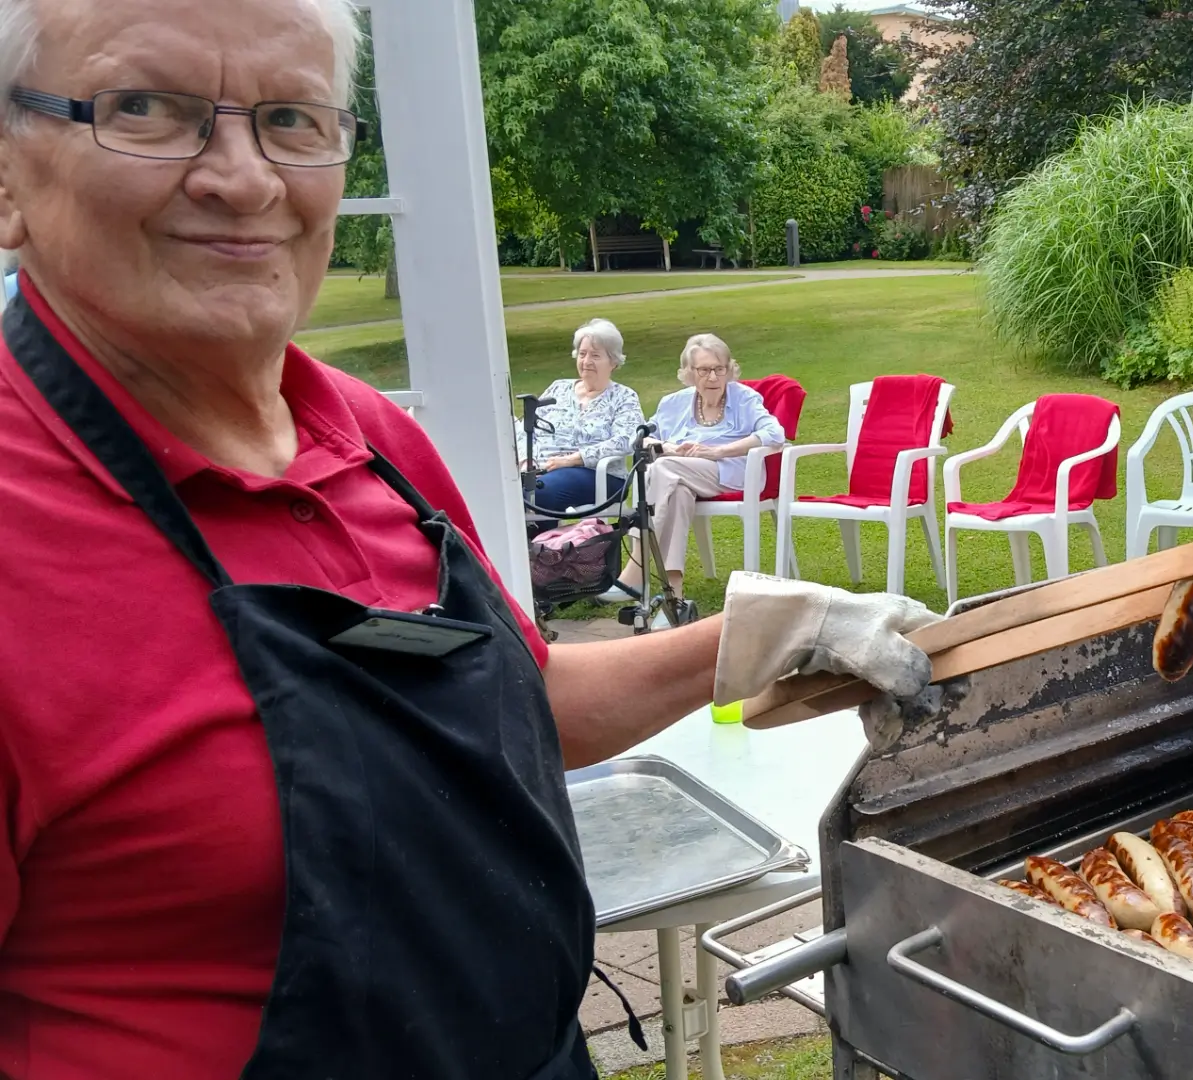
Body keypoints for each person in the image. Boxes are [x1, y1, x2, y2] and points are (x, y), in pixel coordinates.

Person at [0, 0, 943, 1076]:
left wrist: (772, 630)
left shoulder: (372, 435)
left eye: (291, 119)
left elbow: (517, 700)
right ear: (7, 175)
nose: (245, 179)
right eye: (145, 108)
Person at [606, 333, 785, 600]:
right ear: (690, 373)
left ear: (728, 370)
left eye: (719, 369)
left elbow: (775, 433)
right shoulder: (673, 403)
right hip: (681, 473)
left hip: (731, 471)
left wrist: (718, 451)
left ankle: (637, 567)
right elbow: (641, 439)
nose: (712, 377)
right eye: (704, 370)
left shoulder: (745, 398)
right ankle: (674, 594)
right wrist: (668, 447)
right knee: (677, 492)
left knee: (661, 469)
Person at [525, 317, 646, 516]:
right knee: (512, 488)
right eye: (582, 354)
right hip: (542, 468)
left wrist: (574, 459)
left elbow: (626, 440)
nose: (586, 361)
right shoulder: (558, 388)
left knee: (536, 492)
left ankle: (540, 537)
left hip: (598, 474)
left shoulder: (624, 397)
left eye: (595, 355)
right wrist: (525, 460)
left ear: (613, 362)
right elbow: (527, 427)